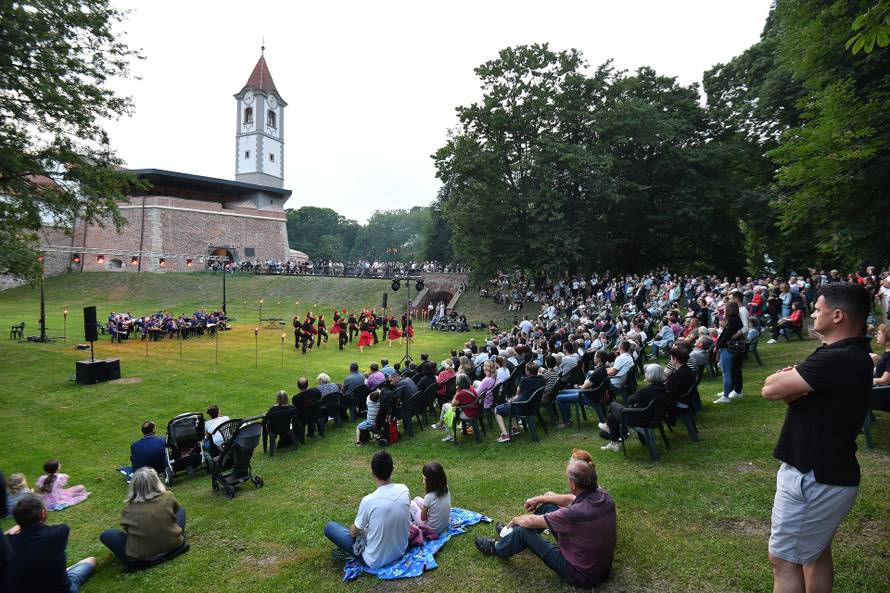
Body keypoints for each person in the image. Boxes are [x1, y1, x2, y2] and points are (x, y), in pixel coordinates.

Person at [761, 283, 873, 593]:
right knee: (814, 553)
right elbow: (790, 396)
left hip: (813, 476)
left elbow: (770, 389)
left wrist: (790, 381)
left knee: (783, 560)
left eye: (817, 309)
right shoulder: (847, 354)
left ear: (837, 316)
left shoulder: (836, 359)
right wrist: (793, 386)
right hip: (829, 471)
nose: (812, 313)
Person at [474, 458, 616, 588]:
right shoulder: (604, 496)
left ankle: (497, 548)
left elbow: (530, 521)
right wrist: (542, 498)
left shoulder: (574, 513)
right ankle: (511, 536)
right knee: (549, 507)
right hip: (600, 568)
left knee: (524, 531)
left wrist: (516, 520)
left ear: (573, 485)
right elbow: (571, 499)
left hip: (582, 575)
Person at [324, 451, 410, 567]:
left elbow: (354, 533)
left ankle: (352, 554)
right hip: (400, 550)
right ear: (393, 469)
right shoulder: (404, 490)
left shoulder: (369, 501)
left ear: (373, 473)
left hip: (375, 560)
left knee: (330, 527)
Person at [5, 494, 97, 593]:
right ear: (43, 513)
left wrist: (18, 526)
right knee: (91, 560)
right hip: (62, 589)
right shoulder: (59, 532)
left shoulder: (9, 541)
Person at [99, 467, 186, 569]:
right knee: (181, 511)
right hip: (176, 547)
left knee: (108, 534)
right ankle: (170, 537)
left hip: (142, 560)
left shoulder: (128, 510)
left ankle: (145, 548)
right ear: (156, 482)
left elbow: (128, 531)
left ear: (133, 486)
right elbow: (176, 511)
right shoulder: (168, 496)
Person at [599, 364, 667, 452]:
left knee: (612, 405)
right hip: (654, 417)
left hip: (639, 418)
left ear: (650, 375)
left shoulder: (646, 391)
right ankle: (613, 442)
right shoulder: (664, 389)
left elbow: (630, 400)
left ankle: (608, 428)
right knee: (612, 417)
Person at [494, 361, 546, 443]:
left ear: (527, 371)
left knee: (497, 409)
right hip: (534, 406)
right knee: (512, 402)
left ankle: (505, 435)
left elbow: (517, 394)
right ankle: (514, 429)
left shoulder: (524, 380)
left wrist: (511, 401)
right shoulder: (542, 379)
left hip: (523, 407)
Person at [554, 350, 609, 427]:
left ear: (599, 359)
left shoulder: (598, 372)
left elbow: (583, 386)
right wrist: (583, 384)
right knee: (562, 392)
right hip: (591, 394)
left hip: (588, 396)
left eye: (594, 356)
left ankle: (566, 422)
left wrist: (578, 386)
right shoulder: (602, 370)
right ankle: (567, 420)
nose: (593, 358)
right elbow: (586, 383)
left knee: (559, 398)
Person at [713, 301, 745, 404]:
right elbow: (725, 334)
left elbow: (726, 335)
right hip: (727, 348)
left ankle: (726, 397)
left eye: (725, 308)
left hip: (727, 349)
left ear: (730, 309)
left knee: (726, 373)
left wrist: (717, 346)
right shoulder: (733, 320)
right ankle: (727, 391)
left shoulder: (733, 320)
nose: (724, 310)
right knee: (728, 372)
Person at [410, 461, 452, 537]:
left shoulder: (429, 496)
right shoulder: (446, 487)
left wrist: (425, 512)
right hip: (446, 523)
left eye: (424, 479)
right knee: (417, 499)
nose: (423, 481)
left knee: (412, 503)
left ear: (430, 481)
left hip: (431, 528)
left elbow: (423, 518)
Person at [433, 373, 479, 441]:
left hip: (468, 414)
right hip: (475, 410)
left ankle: (447, 432)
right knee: (447, 409)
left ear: (458, 383)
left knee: (445, 408)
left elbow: (452, 404)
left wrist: (457, 391)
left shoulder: (461, 393)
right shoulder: (471, 387)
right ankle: (441, 423)